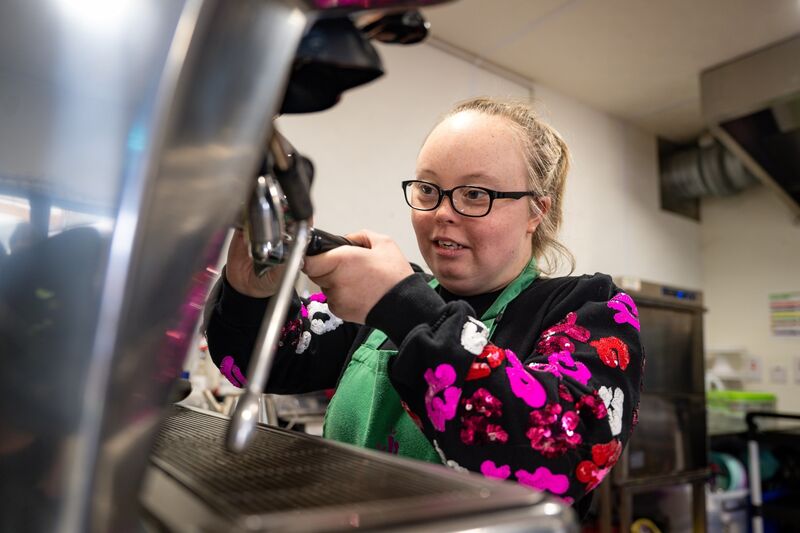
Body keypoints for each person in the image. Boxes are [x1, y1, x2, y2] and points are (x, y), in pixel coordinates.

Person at [205, 97, 644, 512]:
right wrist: (253, 290)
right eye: (429, 190)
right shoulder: (394, 299)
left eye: (475, 194)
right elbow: (256, 362)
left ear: (536, 212)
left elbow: (558, 458)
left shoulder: (589, 308)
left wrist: (400, 305)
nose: (443, 212)